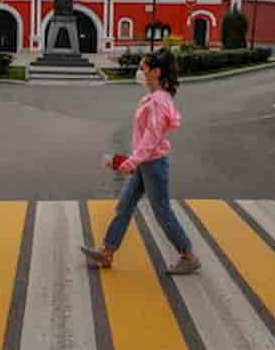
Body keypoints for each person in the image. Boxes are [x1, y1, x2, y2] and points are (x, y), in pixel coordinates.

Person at [81, 48, 200, 275]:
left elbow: (152, 136)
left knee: (162, 211)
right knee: (124, 206)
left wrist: (132, 161)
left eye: (143, 68)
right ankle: (107, 251)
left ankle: (188, 256)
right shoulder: (156, 97)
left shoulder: (157, 101)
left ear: (156, 72)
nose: (140, 72)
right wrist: (136, 161)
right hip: (147, 163)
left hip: (153, 165)